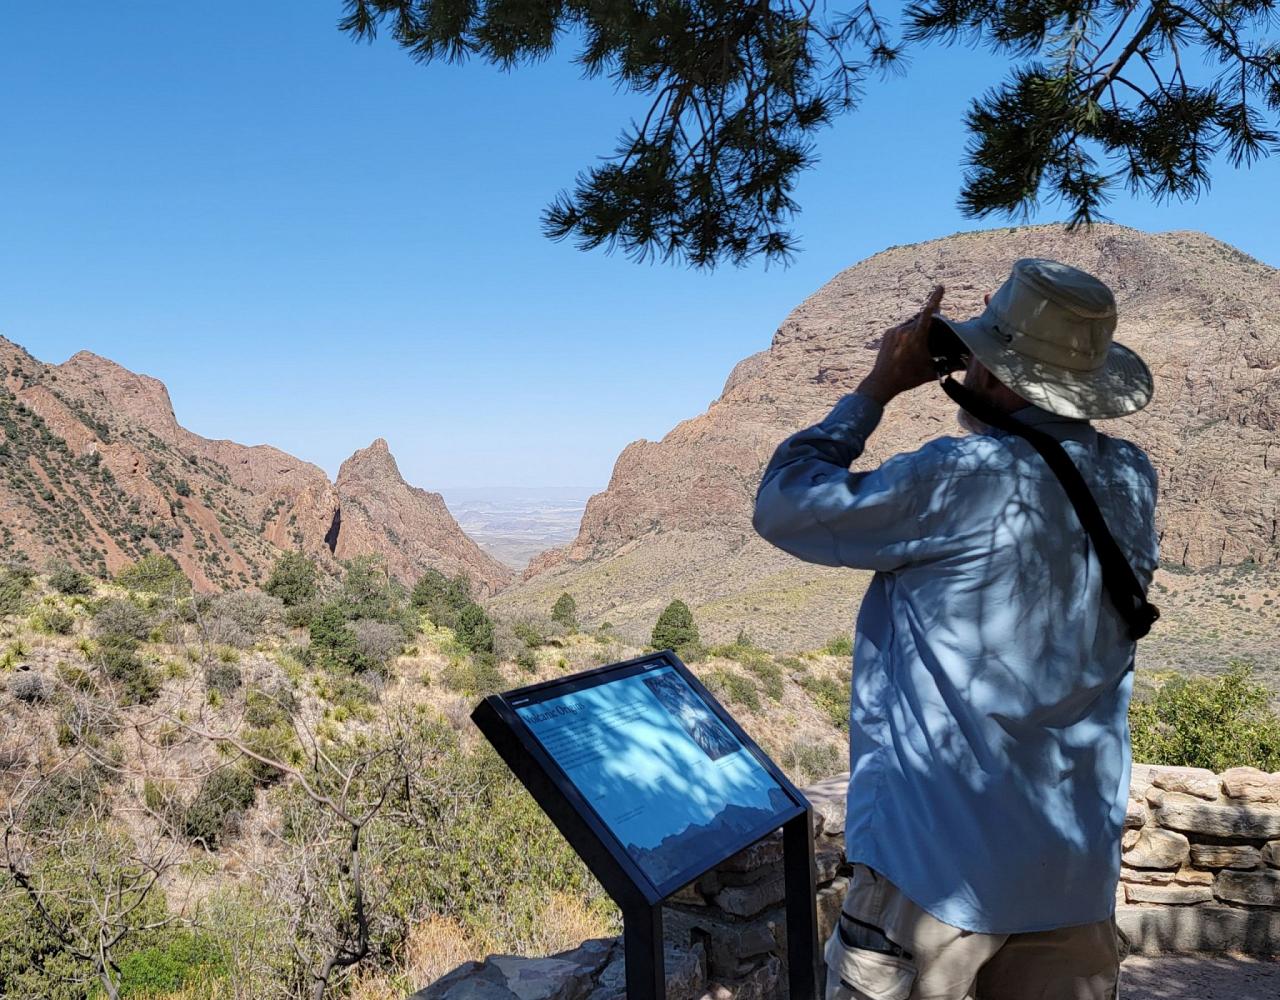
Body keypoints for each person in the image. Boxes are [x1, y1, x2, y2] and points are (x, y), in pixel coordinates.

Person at [753, 259, 1158, 1000]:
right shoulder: (1131, 478)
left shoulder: (959, 477)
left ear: (1000, 377)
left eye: (977, 356)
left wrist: (877, 388)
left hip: (935, 874)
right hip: (1071, 875)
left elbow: (784, 505)